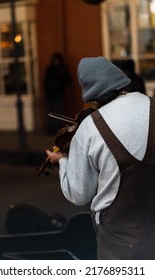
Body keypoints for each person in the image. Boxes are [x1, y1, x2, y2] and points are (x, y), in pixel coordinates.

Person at [46, 56, 155, 260]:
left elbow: (79, 194)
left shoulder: (90, 127)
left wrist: (63, 161)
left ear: (91, 92)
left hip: (120, 242)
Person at [43, 52, 70, 134]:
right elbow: (45, 81)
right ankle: (51, 129)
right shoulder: (50, 69)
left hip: (58, 93)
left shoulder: (62, 69)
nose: (56, 62)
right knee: (50, 113)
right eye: (55, 60)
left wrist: (60, 86)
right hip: (50, 94)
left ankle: (57, 129)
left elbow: (66, 80)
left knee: (59, 112)